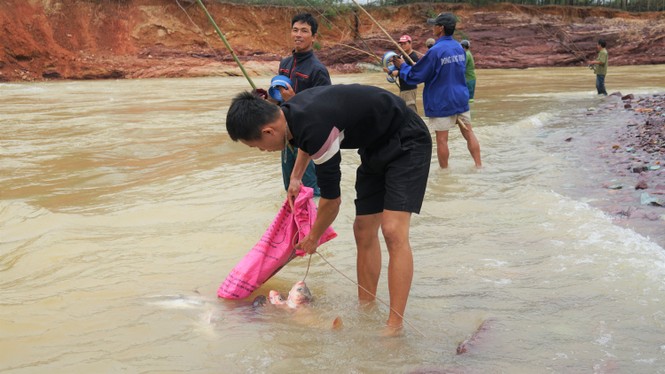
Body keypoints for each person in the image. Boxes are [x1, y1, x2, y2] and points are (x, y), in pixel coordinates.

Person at [226, 84, 432, 334]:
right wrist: (296, 177)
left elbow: (332, 202)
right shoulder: (291, 112)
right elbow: (304, 140)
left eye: (257, 146)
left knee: (392, 231)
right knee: (363, 230)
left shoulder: (314, 125)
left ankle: (394, 324)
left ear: (268, 131)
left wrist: (313, 237)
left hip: (408, 141)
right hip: (374, 147)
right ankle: (366, 308)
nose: (262, 150)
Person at [394, 13, 482, 169]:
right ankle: (479, 166)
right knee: (469, 133)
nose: (432, 27)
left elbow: (416, 76)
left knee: (442, 140)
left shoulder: (435, 51)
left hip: (441, 101)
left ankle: (444, 173)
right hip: (460, 98)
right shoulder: (459, 48)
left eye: (434, 25)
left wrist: (402, 67)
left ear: (440, 28)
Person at [276, 13, 331, 196]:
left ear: (314, 37)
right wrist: (268, 99)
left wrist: (293, 100)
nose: (298, 35)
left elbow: (323, 113)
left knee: (309, 191)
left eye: (304, 31)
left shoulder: (318, 70)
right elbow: (279, 101)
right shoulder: (285, 64)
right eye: (295, 30)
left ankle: (312, 224)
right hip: (286, 136)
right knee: (289, 189)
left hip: (307, 141)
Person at [384, 35, 420, 113]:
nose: (402, 45)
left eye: (404, 43)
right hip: (403, 88)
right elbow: (398, 69)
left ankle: (416, 125)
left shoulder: (413, 57)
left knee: (411, 111)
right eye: (401, 44)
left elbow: (414, 74)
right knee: (404, 110)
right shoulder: (401, 56)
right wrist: (389, 71)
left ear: (410, 43)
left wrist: (397, 73)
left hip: (410, 88)